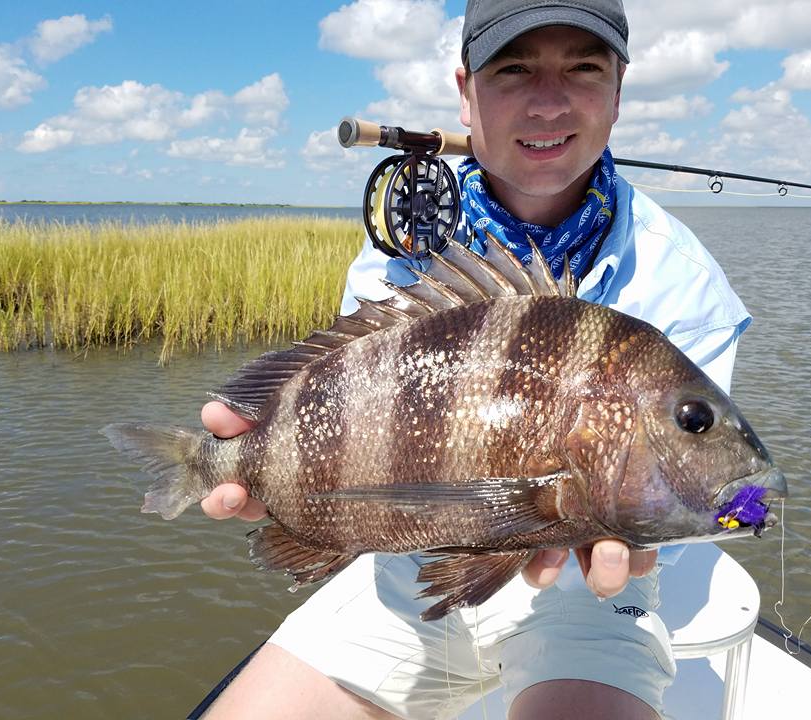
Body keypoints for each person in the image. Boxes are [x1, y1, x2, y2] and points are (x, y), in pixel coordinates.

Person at [198, 1, 751, 718]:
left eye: (583, 68)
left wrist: (670, 524)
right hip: (399, 568)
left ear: (618, 91)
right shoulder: (400, 253)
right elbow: (358, 425)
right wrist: (285, 480)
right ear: (466, 90)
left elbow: (716, 505)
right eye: (515, 68)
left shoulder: (688, 285)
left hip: (589, 592)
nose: (548, 101)